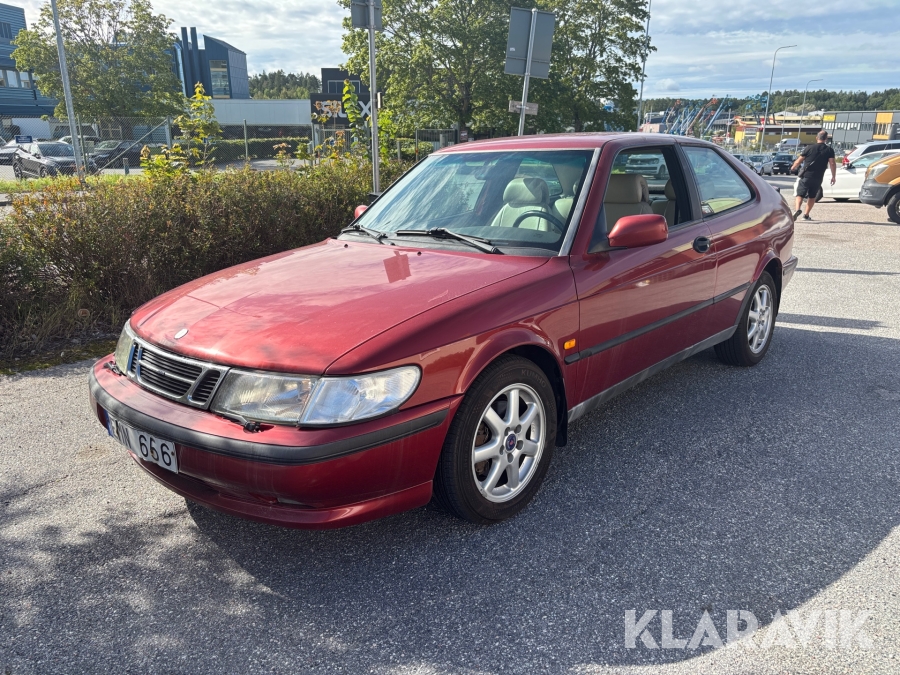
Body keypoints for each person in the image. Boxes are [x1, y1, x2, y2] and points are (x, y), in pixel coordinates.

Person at [790, 130, 836, 221]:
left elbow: (799, 160)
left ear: (816, 138)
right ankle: (806, 215)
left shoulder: (809, 148)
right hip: (818, 177)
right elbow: (832, 163)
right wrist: (833, 176)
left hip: (806, 176)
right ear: (826, 139)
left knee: (800, 194)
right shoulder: (829, 150)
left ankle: (797, 209)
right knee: (812, 196)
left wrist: (793, 167)